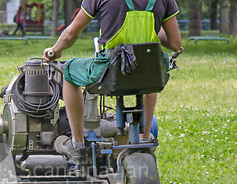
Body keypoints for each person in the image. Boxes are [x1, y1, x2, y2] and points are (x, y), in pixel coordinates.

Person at [43, 0, 182, 164]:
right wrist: (153, 31)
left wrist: (54, 51)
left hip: (110, 70)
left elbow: (70, 34)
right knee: (149, 72)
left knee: (69, 71)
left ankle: (77, 144)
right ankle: (144, 139)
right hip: (149, 70)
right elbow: (175, 44)